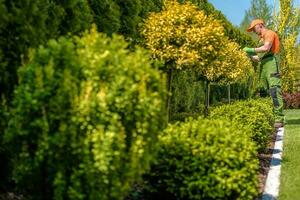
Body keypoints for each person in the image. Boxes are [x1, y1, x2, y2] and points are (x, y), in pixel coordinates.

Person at [243, 19, 284, 128]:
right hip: (264, 65)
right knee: (262, 91)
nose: (253, 31)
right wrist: (249, 55)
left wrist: (251, 49)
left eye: (254, 28)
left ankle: (279, 118)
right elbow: (258, 58)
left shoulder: (269, 33)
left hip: (272, 64)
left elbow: (266, 48)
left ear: (260, 25)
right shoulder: (261, 39)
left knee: (274, 90)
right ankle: (267, 115)